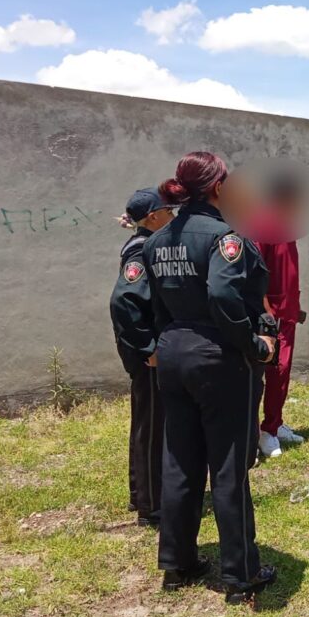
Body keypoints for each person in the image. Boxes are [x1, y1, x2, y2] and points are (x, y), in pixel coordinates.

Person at [144, 151, 279, 604]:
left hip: (174, 353)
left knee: (180, 460)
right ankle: (241, 572)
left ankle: (178, 562)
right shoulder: (225, 239)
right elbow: (223, 294)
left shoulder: (157, 241)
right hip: (219, 358)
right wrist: (253, 344)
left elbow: (156, 306)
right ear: (218, 187)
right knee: (228, 466)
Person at [108, 188, 174, 527]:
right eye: (168, 211)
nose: (172, 216)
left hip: (151, 351)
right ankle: (152, 505)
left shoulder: (150, 243)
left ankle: (143, 494)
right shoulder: (141, 250)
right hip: (148, 356)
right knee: (152, 426)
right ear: (152, 218)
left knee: (149, 422)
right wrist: (148, 348)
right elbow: (124, 301)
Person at [256, 175, 307, 460]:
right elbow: (255, 272)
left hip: (286, 312)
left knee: (282, 374)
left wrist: (294, 307)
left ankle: (275, 423)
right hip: (272, 315)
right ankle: (265, 433)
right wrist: (266, 312)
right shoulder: (265, 225)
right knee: (275, 371)